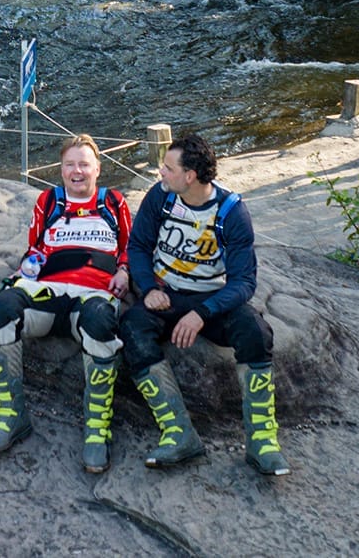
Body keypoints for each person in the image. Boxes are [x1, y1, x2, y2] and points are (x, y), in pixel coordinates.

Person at [118, 133, 289, 477]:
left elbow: (244, 283)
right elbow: (138, 246)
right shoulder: (161, 198)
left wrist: (202, 313)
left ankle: (262, 441)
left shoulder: (231, 211)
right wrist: (149, 288)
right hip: (165, 295)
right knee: (132, 329)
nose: (160, 173)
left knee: (255, 331)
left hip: (211, 299)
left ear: (190, 176)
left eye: (167, 168)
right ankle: (179, 433)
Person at [0, 135, 133, 472]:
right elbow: (34, 246)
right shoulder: (49, 202)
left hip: (93, 294)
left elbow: (129, 248)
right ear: (61, 169)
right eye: (69, 165)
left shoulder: (113, 203)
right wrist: (27, 268)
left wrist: (124, 270)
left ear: (97, 169)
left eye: (84, 164)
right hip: (45, 292)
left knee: (99, 322)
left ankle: (96, 428)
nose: (77, 171)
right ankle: (10, 416)